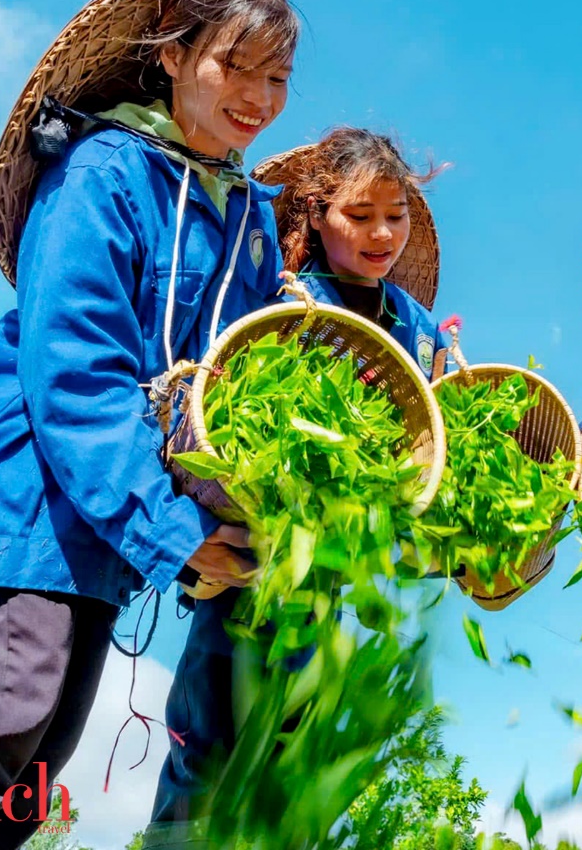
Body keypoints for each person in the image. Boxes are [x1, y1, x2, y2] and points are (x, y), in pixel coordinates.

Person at [0, 0, 298, 850]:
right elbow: (77, 375)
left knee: (23, 778)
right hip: (36, 506)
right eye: (234, 66)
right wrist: (175, 537)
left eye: (277, 77)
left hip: (108, 533)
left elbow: (239, 383)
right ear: (173, 56)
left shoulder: (245, 216)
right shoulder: (105, 171)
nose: (257, 97)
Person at [144, 126, 449, 847]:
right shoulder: (283, 302)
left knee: (293, 763)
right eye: (358, 214)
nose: (381, 233)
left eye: (395, 215)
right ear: (314, 214)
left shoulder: (416, 328)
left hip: (336, 581)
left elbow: (430, 445)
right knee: (208, 744)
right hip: (248, 565)